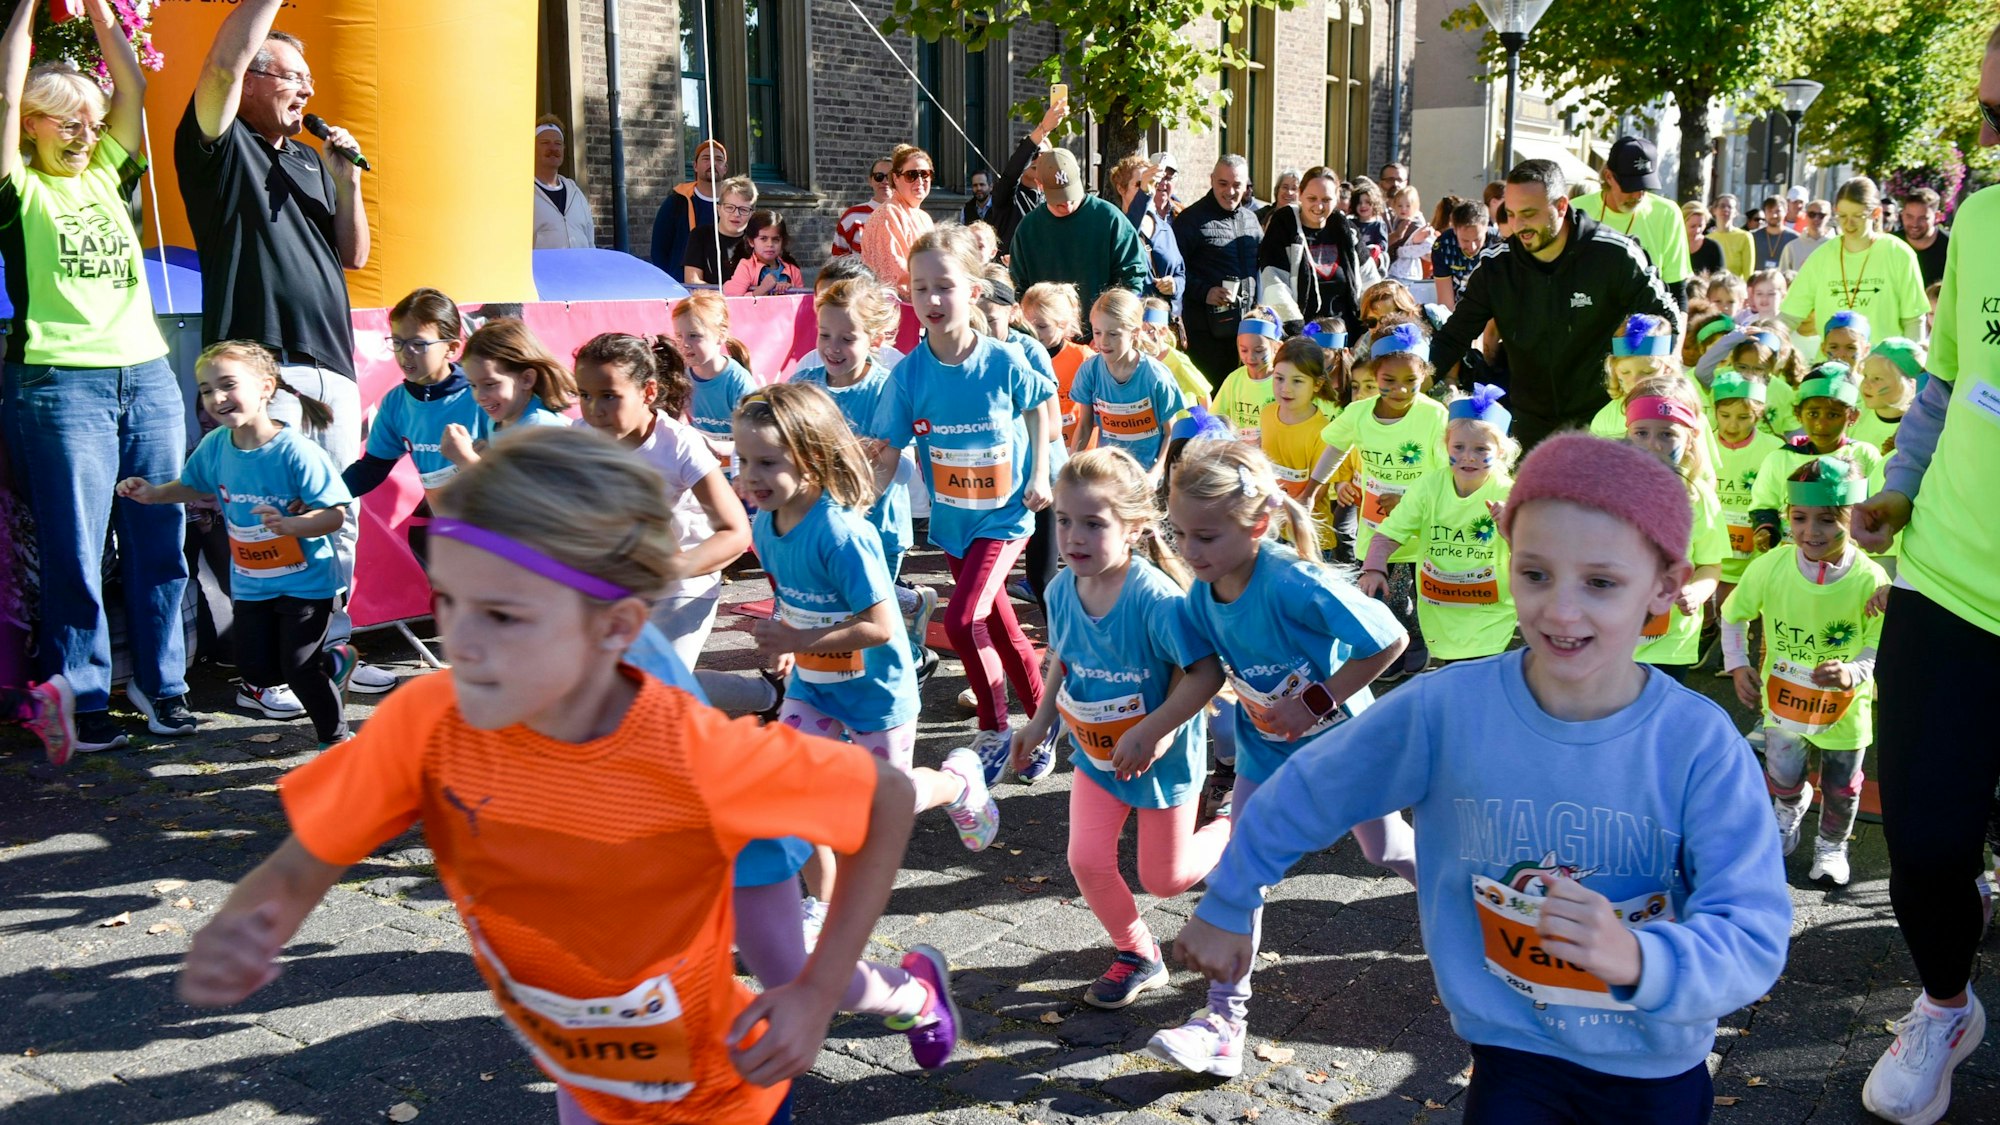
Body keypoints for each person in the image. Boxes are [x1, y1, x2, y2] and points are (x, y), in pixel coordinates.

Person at [175, 426, 921, 1125]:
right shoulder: (428, 717)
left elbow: (884, 798)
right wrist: (260, 914)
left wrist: (816, 991)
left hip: (721, 1092)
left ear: (614, 628)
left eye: (503, 615)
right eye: (450, 602)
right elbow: (319, 841)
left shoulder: (688, 749)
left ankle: (916, 983)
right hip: (583, 1075)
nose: (460, 640)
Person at [1174, 431, 1791, 1122]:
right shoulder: (1447, 710)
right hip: (1510, 1053)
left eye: (1601, 582)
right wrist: (1230, 897)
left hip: (1652, 1068)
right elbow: (1311, 787)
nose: (1560, 609)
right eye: (1535, 573)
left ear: (1666, 585)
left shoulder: (1699, 744)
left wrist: (1643, 959)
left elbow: (1754, 927)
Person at [1147, 439, 1414, 1076]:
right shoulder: (1200, 596)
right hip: (1266, 758)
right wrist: (1155, 728)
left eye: (1205, 537)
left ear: (1258, 524)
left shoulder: (1295, 581)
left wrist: (1313, 701)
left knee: (1387, 851)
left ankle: (1473, 914)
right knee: (1240, 870)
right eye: (1180, 534)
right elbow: (1203, 673)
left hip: (1346, 753)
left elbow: (1391, 640)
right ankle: (1222, 1022)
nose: (1189, 552)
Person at [1848, 31, 2000, 1119]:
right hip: (1942, 584)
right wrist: (1899, 487)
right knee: (1926, 839)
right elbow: (1946, 388)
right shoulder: (1981, 222)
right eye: (1989, 118)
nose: (1990, 142)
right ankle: (1944, 1003)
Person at [177, 0, 392, 695]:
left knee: (335, 516)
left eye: (309, 80)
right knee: (265, 520)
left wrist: (347, 178)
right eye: (292, 76)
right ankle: (264, 672)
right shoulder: (219, 144)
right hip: (263, 367)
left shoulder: (304, 156)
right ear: (256, 77)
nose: (306, 90)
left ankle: (329, 654)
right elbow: (220, 63)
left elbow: (353, 253)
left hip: (330, 360)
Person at [1, 0, 198, 749]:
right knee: (76, 548)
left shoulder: (111, 170)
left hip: (146, 374)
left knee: (160, 535)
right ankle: (80, 695)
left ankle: (163, 685)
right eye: (66, 121)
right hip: (60, 385)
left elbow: (132, 89)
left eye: (91, 121)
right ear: (29, 125)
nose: (86, 134)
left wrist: (102, 10)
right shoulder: (18, 190)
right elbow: (3, 84)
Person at [1008, 447, 1230, 1010]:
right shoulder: (1060, 588)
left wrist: (1155, 731)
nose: (1073, 536)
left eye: (1092, 523)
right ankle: (1137, 952)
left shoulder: (1156, 598)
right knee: (1085, 859)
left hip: (1162, 758)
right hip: (1096, 753)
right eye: (1063, 521)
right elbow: (1064, 656)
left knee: (1166, 879)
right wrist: (1040, 721)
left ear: (1133, 528)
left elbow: (1204, 673)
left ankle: (1234, 823)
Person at [867, 224, 1054, 779]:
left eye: (944, 286)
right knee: (999, 628)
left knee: (963, 615)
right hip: (952, 523)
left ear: (973, 292)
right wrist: (856, 504)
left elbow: (1041, 407)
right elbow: (885, 451)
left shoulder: (1002, 360)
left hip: (1005, 515)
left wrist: (1040, 471)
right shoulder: (909, 375)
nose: (932, 299)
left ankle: (996, 729)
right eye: (920, 288)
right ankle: (1048, 722)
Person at [119, 343, 353, 750]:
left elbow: (333, 515)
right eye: (207, 390)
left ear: (265, 387)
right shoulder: (216, 446)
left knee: (298, 668)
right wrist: (154, 494)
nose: (217, 398)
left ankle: (335, 739)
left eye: (228, 385)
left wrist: (292, 525)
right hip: (251, 582)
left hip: (306, 581)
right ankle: (334, 662)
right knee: (257, 671)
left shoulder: (296, 451)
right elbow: (194, 485)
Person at [1426, 159, 1680, 447]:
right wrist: (1411, 383)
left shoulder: (1614, 256)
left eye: (1529, 214)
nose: (1518, 225)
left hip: (1603, 422)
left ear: (1561, 206)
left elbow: (1666, 320)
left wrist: (1646, 385)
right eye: (1510, 214)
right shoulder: (1497, 267)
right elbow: (1453, 337)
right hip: (1528, 425)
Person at [1723, 454, 1888, 886]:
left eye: (1828, 520)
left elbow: (1878, 640)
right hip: (1784, 704)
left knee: (1841, 786)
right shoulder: (1769, 567)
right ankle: (1789, 808)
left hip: (1846, 710)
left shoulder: (1869, 580)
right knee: (1782, 775)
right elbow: (1734, 613)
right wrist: (1737, 663)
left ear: (1853, 520)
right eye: (1799, 517)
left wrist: (1855, 671)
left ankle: (1832, 846)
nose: (1810, 532)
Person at [571, 333, 751, 670]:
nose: (595, 410)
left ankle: (763, 695)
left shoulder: (679, 446)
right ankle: (763, 694)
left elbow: (736, 533)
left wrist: (672, 568)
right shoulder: (577, 439)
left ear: (648, 392)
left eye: (609, 396)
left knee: (655, 687)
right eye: (585, 395)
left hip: (683, 584)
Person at [1311, 323, 1451, 675]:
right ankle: (1391, 644)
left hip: (1422, 523)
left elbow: (1443, 473)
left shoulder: (1433, 415)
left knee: (1419, 588)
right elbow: (1336, 448)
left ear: (1425, 375)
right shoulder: (1359, 413)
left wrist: (1406, 500)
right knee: (1381, 586)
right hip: (1376, 524)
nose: (1400, 389)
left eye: (1410, 380)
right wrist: (1312, 487)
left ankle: (1419, 642)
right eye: (1389, 380)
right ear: (1374, 374)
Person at [1358, 383, 1517, 665]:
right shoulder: (1429, 487)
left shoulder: (1511, 494)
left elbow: (1535, 554)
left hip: (1489, 615)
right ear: (1446, 447)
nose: (1469, 456)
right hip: (1439, 612)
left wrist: (1513, 528)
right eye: (1459, 446)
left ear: (1501, 451)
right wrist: (1373, 568)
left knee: (1474, 684)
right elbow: (1390, 532)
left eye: (1481, 449)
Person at [339, 289, 489, 526]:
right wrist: (323, 495)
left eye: (418, 344)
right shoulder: (396, 403)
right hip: (455, 532)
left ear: (451, 348)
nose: (405, 354)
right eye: (397, 342)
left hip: (499, 526)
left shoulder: (480, 395)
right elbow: (373, 467)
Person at [1781, 177, 1929, 345]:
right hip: (1832, 367)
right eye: (1842, 216)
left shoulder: (1899, 254)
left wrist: (1910, 365)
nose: (1848, 224)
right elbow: (1790, 315)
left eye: (1858, 216)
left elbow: (1913, 320)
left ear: (1876, 214)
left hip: (1883, 367)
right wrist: (1767, 334)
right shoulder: (1821, 256)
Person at [1007, 148, 1150, 320]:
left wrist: (1111, 326)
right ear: (1040, 185)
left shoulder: (1110, 218)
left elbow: (1132, 276)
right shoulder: (1028, 229)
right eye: (1058, 199)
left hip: (1102, 335)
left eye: (1071, 194)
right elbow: (1018, 287)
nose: (1067, 204)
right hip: (1048, 337)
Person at [1068, 289, 1185, 480]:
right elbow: (1084, 426)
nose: (1103, 341)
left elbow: (1171, 433)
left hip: (1147, 479)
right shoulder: (1089, 371)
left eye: (1113, 334)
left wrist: (1154, 475)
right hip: (1109, 476)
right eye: (1097, 332)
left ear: (1135, 333)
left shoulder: (1156, 376)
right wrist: (1072, 466)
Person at [1175, 156, 1264, 384]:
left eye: (1237, 185)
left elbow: (1262, 269)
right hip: (1205, 335)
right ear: (1212, 180)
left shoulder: (1252, 220)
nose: (1230, 191)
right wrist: (1205, 292)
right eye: (1223, 184)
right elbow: (1174, 273)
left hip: (1247, 333)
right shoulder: (1190, 220)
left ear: (1246, 186)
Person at [1572, 136, 1693, 304]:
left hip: (1646, 325)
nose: (1638, 195)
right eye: (1630, 186)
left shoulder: (1668, 213)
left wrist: (1677, 330)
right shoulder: (1575, 211)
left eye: (1644, 185)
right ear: (1608, 176)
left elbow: (1677, 290)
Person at [1257, 166, 1364, 332]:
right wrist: (1295, 330)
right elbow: (1274, 282)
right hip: (1302, 339)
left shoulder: (1347, 232)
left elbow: (1370, 279)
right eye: (1312, 198)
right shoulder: (1283, 229)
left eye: (1326, 200)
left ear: (1336, 198)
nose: (1319, 206)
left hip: (1345, 337)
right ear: (1300, 195)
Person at [673, 291, 759, 474]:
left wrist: (716, 447)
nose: (684, 343)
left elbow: (757, 439)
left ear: (721, 335)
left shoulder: (738, 381)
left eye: (694, 335)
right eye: (679, 336)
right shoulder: (682, 375)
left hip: (740, 476)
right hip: (701, 474)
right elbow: (681, 419)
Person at [861, 144, 936, 298]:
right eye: (911, 175)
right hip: (896, 309)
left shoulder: (924, 217)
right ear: (896, 178)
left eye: (925, 174)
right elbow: (893, 276)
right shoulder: (887, 214)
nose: (920, 181)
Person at [992, 102, 1067, 251]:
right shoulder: (1007, 195)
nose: (1037, 159)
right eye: (1034, 154)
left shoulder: (1053, 200)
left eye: (1043, 155)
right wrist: (1043, 129)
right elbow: (1011, 174)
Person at [649, 137, 725, 278]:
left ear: (725, 168)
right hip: (682, 287)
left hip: (726, 286)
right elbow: (659, 250)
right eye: (706, 158)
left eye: (719, 160)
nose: (713, 163)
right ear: (695, 166)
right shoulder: (676, 202)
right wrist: (673, 278)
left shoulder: (734, 205)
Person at [530, 115, 593, 249]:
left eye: (558, 143)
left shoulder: (576, 195)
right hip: (542, 270)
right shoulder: (523, 195)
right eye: (545, 143)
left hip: (577, 270)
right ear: (532, 147)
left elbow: (590, 241)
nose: (553, 148)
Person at [683, 174, 756, 286]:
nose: (736, 214)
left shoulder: (757, 240)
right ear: (719, 209)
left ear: (752, 214)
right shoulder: (700, 236)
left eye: (744, 209)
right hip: (711, 302)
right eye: (729, 207)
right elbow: (693, 282)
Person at [1430, 199, 1499, 313]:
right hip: (1460, 309)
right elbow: (1446, 303)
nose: (1472, 247)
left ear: (1486, 227)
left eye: (1477, 239)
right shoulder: (1443, 246)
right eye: (1465, 240)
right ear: (1455, 230)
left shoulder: (1498, 242)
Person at [722, 209, 804, 296]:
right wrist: (762, 289)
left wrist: (790, 291)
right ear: (751, 241)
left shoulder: (793, 270)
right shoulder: (746, 267)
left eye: (776, 239)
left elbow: (802, 303)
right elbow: (734, 300)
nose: (770, 244)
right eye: (763, 239)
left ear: (782, 242)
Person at [831, 156, 893, 259]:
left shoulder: (910, 216)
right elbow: (837, 259)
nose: (885, 181)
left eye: (890, 177)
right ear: (870, 181)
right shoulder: (851, 216)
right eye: (879, 176)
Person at [1898, 188, 1950, 288]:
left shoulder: (1951, 246)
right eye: (1909, 216)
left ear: (1937, 216)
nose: (1914, 223)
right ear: (1902, 214)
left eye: (1923, 218)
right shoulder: (1891, 244)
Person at [1779, 200, 1833, 272]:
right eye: (1812, 214)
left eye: (1821, 215)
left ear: (1828, 217)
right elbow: (1783, 277)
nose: (1816, 219)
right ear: (1806, 216)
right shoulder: (1792, 247)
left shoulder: (1836, 246)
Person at [1710, 193, 1755, 279]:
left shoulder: (1745, 237)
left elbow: (1748, 272)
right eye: (1722, 206)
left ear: (1736, 213)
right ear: (1714, 210)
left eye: (1730, 207)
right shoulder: (1708, 238)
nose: (1726, 209)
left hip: (1735, 288)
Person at [1748, 194, 1797, 272]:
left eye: (1778, 211)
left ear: (1786, 211)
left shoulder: (1795, 238)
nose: (1774, 215)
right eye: (1770, 211)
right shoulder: (1752, 237)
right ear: (1764, 212)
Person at [1683, 200, 1724, 275]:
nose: (1697, 230)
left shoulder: (1713, 247)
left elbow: (1719, 278)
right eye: (1693, 226)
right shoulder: (1674, 245)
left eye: (1700, 226)